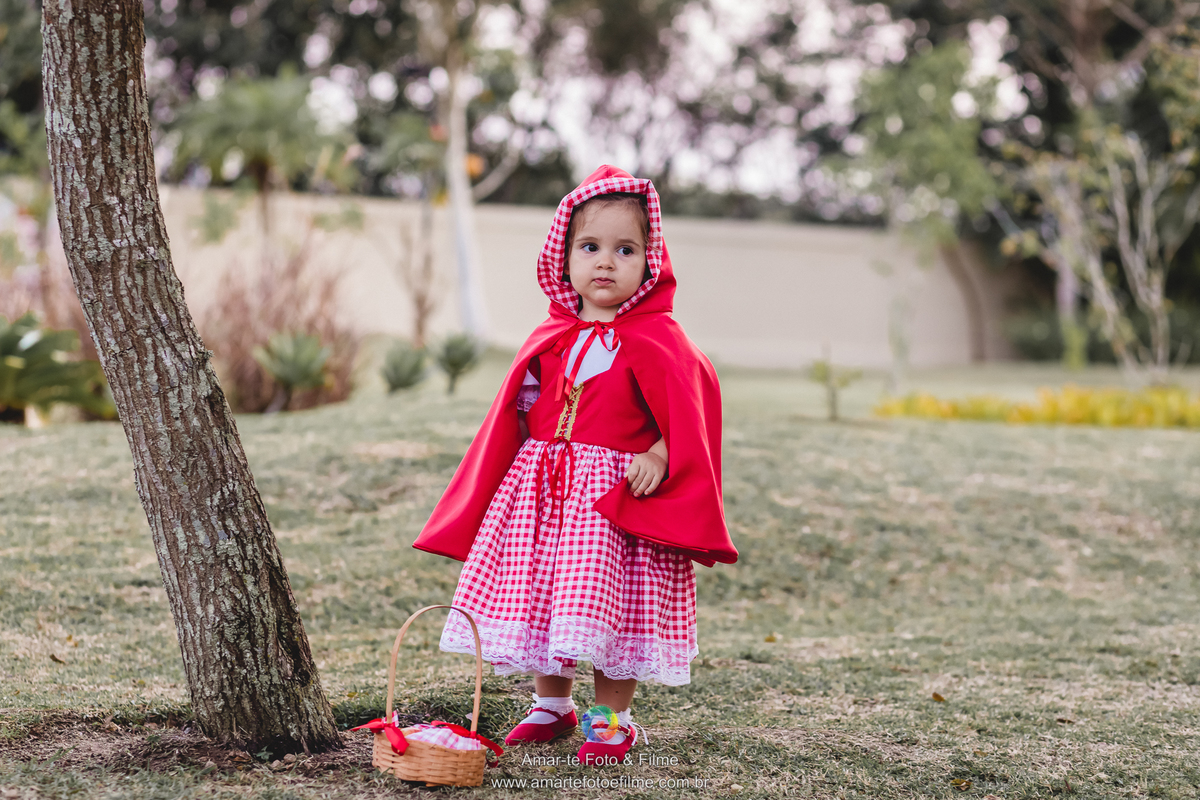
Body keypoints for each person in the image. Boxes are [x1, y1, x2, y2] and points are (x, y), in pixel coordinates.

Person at [413, 165, 738, 765]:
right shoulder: (553, 332)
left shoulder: (660, 337)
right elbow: (520, 408)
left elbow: (692, 411)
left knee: (613, 610)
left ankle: (611, 721)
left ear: (650, 260)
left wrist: (662, 454)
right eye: (590, 247)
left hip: (613, 503)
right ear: (563, 257)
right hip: (544, 495)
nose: (606, 262)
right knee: (545, 598)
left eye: (625, 249)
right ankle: (553, 706)